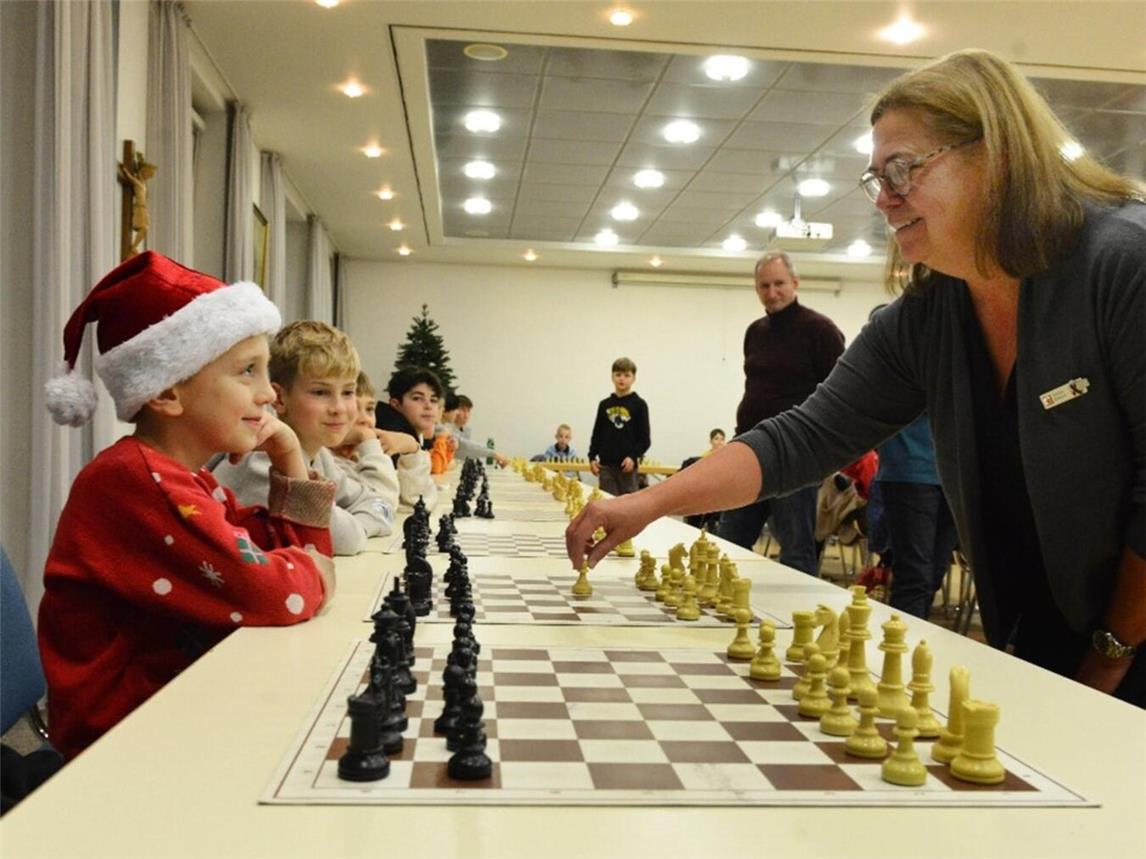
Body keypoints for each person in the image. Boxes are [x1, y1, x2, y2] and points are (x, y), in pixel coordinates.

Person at [568, 49, 1145, 707]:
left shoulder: (1122, 265)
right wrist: (644, 503)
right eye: (876, 179)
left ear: (1000, 156)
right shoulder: (931, 313)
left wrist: (1110, 652)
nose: (885, 199)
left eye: (903, 168)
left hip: (1124, 644)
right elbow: (803, 438)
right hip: (1056, 639)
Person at [38, 252, 336, 759]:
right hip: (121, 746)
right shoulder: (137, 480)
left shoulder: (188, 479)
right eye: (248, 371)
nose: (269, 394)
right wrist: (309, 572)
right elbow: (272, 593)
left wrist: (288, 454)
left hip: (176, 710)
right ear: (169, 393)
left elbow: (291, 551)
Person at [213, 321, 395, 555]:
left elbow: (378, 502)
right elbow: (341, 540)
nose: (339, 407)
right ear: (278, 398)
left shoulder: (317, 454)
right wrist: (356, 527)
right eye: (320, 392)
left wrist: (353, 525)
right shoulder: (264, 459)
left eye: (348, 392)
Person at [716, 252, 845, 573]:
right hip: (748, 446)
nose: (772, 292)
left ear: (795, 283)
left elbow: (838, 396)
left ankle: (796, 619)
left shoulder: (821, 331)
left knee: (796, 548)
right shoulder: (755, 332)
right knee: (730, 538)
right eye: (764, 286)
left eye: (779, 284)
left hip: (795, 454)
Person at [875, 415, 959, 620]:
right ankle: (900, 646)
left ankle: (911, 642)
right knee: (915, 576)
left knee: (933, 576)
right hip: (909, 467)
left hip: (955, 472)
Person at [328, 371, 402, 513]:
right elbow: (382, 507)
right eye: (354, 409)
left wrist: (413, 450)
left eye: (369, 409)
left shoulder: (359, 456)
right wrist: (367, 439)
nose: (365, 419)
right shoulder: (328, 463)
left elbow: (413, 500)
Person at [374, 366, 444, 507]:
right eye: (417, 398)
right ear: (396, 404)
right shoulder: (393, 431)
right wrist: (412, 447)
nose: (428, 406)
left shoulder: (408, 430)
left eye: (433, 400)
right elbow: (416, 501)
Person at [588, 357, 651, 496]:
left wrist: (633, 457)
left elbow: (645, 439)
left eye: (627, 375)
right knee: (607, 504)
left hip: (627, 468)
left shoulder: (640, 405)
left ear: (634, 378)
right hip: (605, 467)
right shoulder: (604, 405)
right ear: (612, 377)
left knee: (628, 508)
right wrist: (592, 457)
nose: (622, 379)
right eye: (618, 374)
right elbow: (597, 433)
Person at [442, 392, 508, 467]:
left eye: (468, 411)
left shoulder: (466, 429)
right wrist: (493, 454)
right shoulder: (447, 427)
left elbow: (466, 453)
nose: (466, 415)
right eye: (463, 410)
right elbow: (464, 445)